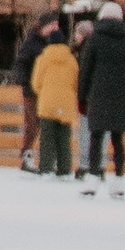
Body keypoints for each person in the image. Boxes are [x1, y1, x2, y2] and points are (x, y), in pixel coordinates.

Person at [75, 0, 125, 199]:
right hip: (123, 97)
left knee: (96, 137)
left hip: (99, 95)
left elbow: (85, 72)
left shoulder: (94, 41)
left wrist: (81, 98)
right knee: (117, 139)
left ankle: (92, 178)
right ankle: (119, 180)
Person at [30, 20, 79, 176]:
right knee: (64, 138)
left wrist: (43, 93)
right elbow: (75, 82)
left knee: (47, 137)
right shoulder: (71, 60)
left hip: (47, 102)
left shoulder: (43, 58)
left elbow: (36, 82)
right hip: (66, 103)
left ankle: (46, 167)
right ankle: (65, 169)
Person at [11, 13, 60, 170]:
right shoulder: (31, 43)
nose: (54, 28)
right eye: (52, 25)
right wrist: (24, 80)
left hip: (48, 92)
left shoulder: (53, 43)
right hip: (32, 91)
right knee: (32, 125)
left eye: (56, 25)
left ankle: (48, 160)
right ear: (43, 26)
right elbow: (20, 63)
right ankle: (27, 157)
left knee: (47, 126)